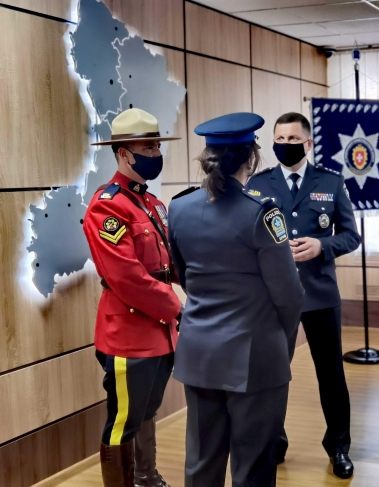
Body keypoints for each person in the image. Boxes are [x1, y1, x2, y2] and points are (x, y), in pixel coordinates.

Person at [167, 112, 304, 487]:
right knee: (253, 467)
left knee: (201, 464)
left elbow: (184, 275)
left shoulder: (178, 208)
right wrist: (280, 343)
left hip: (199, 355)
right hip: (255, 357)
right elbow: (289, 295)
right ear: (251, 158)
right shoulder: (262, 213)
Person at [247, 112, 361, 479]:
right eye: (279, 139)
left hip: (320, 294)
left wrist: (322, 245)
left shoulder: (330, 181)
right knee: (273, 375)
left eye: (293, 139)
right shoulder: (258, 184)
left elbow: (351, 236)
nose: (285, 145)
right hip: (274, 298)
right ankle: (274, 442)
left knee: (331, 375)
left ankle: (339, 447)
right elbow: (246, 235)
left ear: (308, 143)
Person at [83, 108, 183, 487]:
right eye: (148, 148)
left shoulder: (153, 203)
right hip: (129, 332)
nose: (156, 154)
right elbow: (126, 277)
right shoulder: (107, 205)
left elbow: (171, 263)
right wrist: (176, 307)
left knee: (146, 410)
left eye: (157, 146)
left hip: (160, 331)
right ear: (124, 153)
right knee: (123, 419)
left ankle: (146, 477)